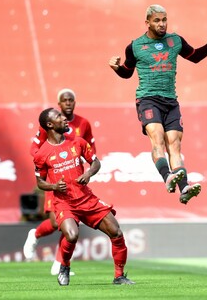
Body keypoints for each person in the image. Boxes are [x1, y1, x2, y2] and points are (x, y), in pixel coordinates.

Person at [109, 4, 207, 205]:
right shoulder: (135, 46)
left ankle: (184, 188)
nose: (162, 24)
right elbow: (127, 72)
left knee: (175, 145)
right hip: (148, 99)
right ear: (147, 23)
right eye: (157, 20)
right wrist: (116, 68)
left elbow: (196, 57)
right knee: (158, 138)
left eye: (164, 20)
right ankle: (167, 177)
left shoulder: (175, 41)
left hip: (171, 101)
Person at [32, 107, 134, 286]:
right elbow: (40, 182)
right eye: (59, 116)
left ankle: (119, 276)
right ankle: (64, 266)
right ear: (49, 124)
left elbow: (95, 162)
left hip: (87, 199)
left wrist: (88, 174)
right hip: (64, 203)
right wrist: (54, 186)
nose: (64, 118)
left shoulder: (77, 142)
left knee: (116, 232)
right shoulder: (42, 154)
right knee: (72, 235)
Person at [24, 88, 95, 275]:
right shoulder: (50, 123)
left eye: (71, 100)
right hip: (56, 179)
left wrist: (84, 165)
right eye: (64, 101)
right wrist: (49, 163)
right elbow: (34, 149)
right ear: (59, 104)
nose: (68, 104)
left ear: (75, 102)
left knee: (70, 222)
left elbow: (90, 148)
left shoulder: (84, 124)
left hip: (75, 178)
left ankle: (59, 263)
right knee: (56, 223)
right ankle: (35, 234)